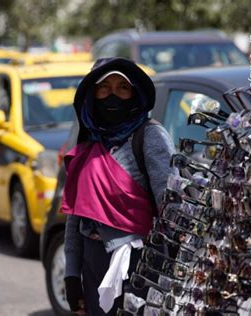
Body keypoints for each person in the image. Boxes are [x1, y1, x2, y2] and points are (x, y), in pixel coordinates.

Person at [62, 58, 176, 315]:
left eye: (122, 88)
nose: (112, 95)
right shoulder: (88, 145)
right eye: (104, 87)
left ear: (134, 95)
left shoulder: (150, 137)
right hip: (93, 267)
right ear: (93, 95)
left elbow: (171, 213)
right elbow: (75, 218)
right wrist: (72, 276)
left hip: (139, 268)